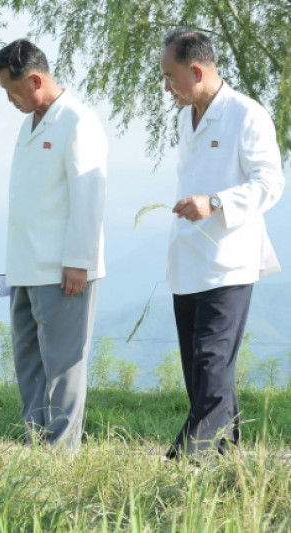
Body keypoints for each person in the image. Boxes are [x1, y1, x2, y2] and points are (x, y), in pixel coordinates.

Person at [159, 30, 283, 459]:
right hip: (187, 262)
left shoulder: (247, 115)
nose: (166, 86)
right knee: (202, 375)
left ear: (196, 71)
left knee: (212, 366)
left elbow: (270, 183)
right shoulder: (183, 118)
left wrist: (214, 202)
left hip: (229, 262)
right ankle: (229, 465)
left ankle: (183, 464)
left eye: (170, 76)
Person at [0, 39, 108, 450]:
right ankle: (37, 446)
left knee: (63, 366)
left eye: (11, 90)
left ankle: (60, 455)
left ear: (35, 80)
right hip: (24, 267)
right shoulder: (30, 123)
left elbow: (88, 194)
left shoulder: (78, 121)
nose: (9, 99)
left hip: (63, 269)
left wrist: (79, 261)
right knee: (30, 366)